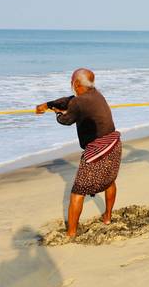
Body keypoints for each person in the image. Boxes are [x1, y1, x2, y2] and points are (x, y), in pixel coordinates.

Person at [36, 68, 121, 237]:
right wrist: (48, 105)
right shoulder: (96, 94)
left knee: (78, 191)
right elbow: (69, 100)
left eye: (72, 82)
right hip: (114, 143)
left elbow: (65, 120)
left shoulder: (80, 102)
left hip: (99, 149)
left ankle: (71, 233)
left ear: (76, 84)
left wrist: (56, 112)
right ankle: (107, 217)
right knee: (109, 180)